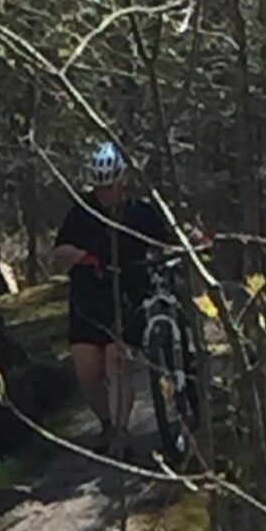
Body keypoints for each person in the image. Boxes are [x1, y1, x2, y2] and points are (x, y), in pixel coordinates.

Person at [52, 140, 172, 455]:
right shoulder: (81, 213)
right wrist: (86, 258)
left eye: (111, 187)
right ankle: (106, 423)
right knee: (87, 371)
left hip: (130, 294)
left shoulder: (142, 212)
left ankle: (121, 431)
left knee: (116, 361)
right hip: (89, 297)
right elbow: (60, 249)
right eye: (100, 188)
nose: (105, 194)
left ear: (124, 182)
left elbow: (168, 240)